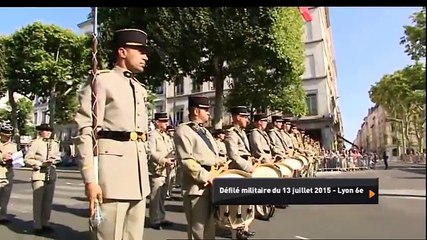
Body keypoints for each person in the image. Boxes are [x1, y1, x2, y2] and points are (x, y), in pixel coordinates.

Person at [74, 28, 150, 240]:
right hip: (111, 178)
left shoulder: (140, 88)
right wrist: (90, 179)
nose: (146, 56)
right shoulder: (101, 81)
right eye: (141, 50)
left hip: (139, 179)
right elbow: (86, 131)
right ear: (122, 52)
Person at [173, 95, 224, 239]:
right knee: (198, 231)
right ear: (196, 111)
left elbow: (213, 156)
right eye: (206, 109)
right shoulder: (183, 131)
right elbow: (186, 160)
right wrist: (206, 176)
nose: (209, 112)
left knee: (210, 230)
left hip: (212, 182)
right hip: (197, 187)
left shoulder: (205, 132)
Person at [223, 106, 256, 238]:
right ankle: (235, 231)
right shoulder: (231, 133)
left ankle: (244, 227)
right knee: (236, 204)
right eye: (245, 117)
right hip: (238, 169)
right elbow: (234, 155)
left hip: (245, 168)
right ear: (237, 117)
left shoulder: (241, 132)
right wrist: (248, 167)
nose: (247, 120)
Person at [24, 124, 61, 235]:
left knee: (48, 201)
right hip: (39, 174)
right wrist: (40, 163)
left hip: (51, 174)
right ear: (40, 132)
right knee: (38, 201)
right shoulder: (36, 143)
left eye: (50, 130)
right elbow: (27, 159)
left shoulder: (54, 143)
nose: (48, 132)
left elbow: (58, 157)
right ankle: (37, 224)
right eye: (46, 130)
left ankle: (45, 222)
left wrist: (55, 159)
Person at [147, 112, 174, 230]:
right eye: (163, 121)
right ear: (157, 122)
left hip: (167, 170)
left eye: (166, 121)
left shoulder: (166, 136)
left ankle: (161, 217)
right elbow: (150, 152)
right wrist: (163, 161)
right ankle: (154, 219)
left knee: (162, 196)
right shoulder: (152, 135)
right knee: (155, 196)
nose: (166, 123)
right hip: (157, 169)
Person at [0, 123, 18, 224]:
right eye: (5, 135)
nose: (7, 137)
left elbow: (16, 157)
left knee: (5, 196)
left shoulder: (13, 146)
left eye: (9, 135)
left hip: (8, 173)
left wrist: (13, 160)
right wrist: (2, 158)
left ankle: (2, 216)